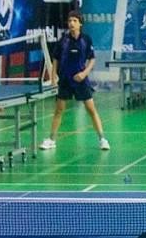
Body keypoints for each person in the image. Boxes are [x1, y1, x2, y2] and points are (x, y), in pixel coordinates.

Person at [39, 10, 110, 151]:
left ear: (80, 24)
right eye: (70, 21)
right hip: (65, 80)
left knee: (91, 109)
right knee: (59, 110)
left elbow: (92, 59)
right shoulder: (63, 41)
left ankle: (102, 139)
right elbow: (55, 59)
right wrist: (53, 78)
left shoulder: (86, 40)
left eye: (75, 21)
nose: (71, 23)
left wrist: (84, 73)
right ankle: (51, 140)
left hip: (81, 80)